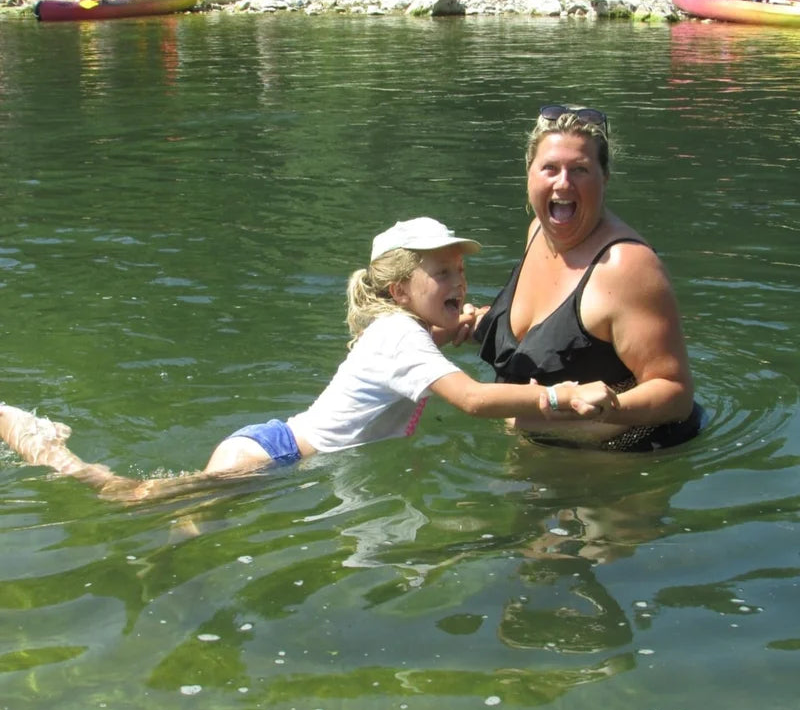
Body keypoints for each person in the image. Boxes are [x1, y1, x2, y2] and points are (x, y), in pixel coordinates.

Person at [0, 217, 619, 502]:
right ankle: (45, 446)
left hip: (282, 451)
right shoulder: (402, 339)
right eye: (441, 273)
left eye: (460, 268)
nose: (458, 281)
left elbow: (437, 343)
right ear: (400, 290)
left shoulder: (402, 330)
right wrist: (563, 396)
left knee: (175, 526)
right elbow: (476, 400)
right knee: (129, 497)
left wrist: (462, 323)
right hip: (272, 458)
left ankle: (157, 563)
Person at [474, 105, 703, 452]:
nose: (563, 182)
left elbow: (676, 394)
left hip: (621, 468)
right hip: (542, 456)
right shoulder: (538, 231)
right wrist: (475, 322)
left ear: (604, 177)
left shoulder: (627, 267)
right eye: (549, 168)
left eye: (580, 169)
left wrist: (604, 408)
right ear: (529, 173)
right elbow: (545, 332)